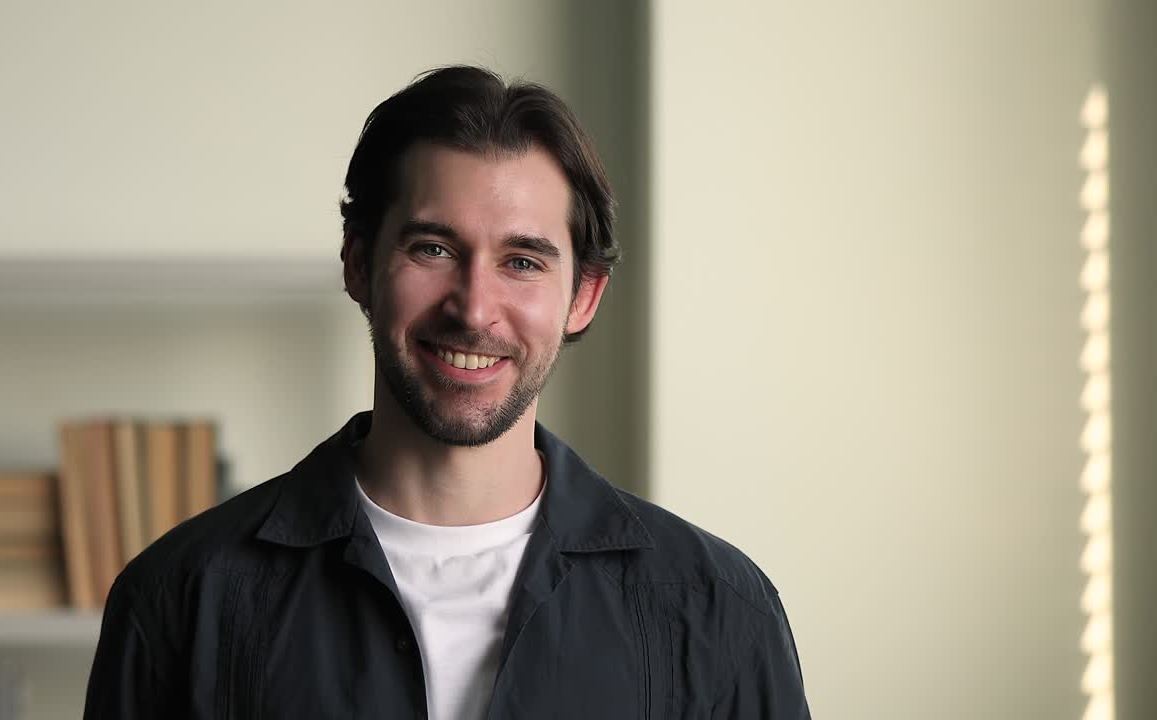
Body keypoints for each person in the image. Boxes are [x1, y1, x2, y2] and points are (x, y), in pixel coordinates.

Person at [84, 65, 810, 720]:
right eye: (432, 249)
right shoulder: (178, 599)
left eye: (522, 261)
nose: (473, 307)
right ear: (360, 264)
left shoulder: (719, 610)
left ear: (583, 297)